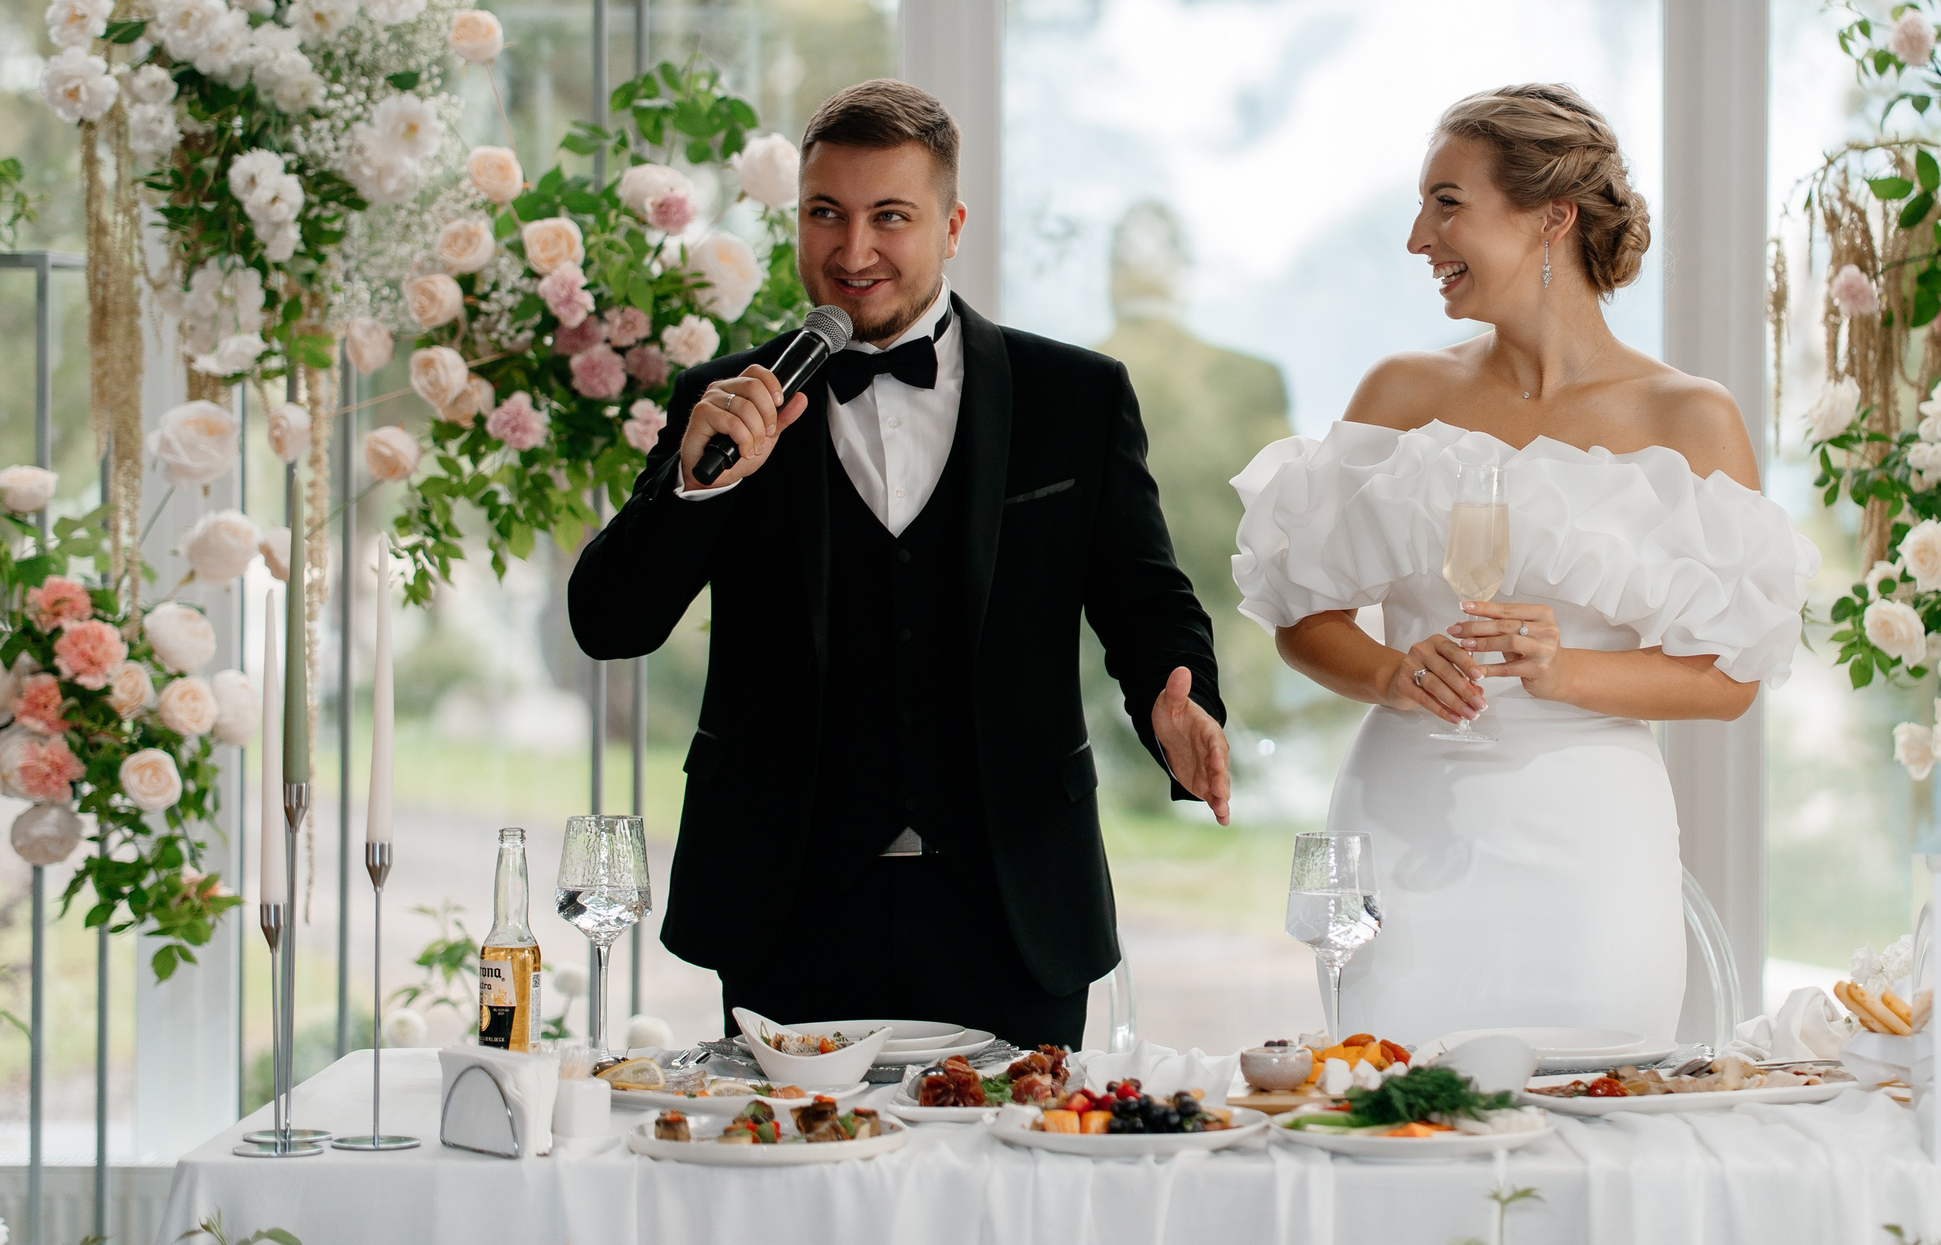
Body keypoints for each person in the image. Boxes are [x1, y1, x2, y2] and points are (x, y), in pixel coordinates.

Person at [568, 79, 1232, 1050]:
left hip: (1013, 902)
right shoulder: (725, 400)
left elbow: (1144, 602)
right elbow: (609, 622)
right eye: (824, 215)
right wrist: (696, 487)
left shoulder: (1073, 398)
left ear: (952, 225)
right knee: (788, 1193)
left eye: (891, 217)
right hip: (785, 903)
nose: (852, 251)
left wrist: (1180, 700)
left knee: (1017, 1195)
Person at [1231, 84, 1816, 1046]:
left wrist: (1568, 668)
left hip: (1591, 848)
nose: (1420, 237)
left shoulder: (1690, 419)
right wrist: (1389, 670)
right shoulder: (1402, 390)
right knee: (1394, 1110)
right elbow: (1300, 615)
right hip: (1400, 826)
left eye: (1447, 202)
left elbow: (1731, 680)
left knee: (1594, 1123)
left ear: (1553, 217)